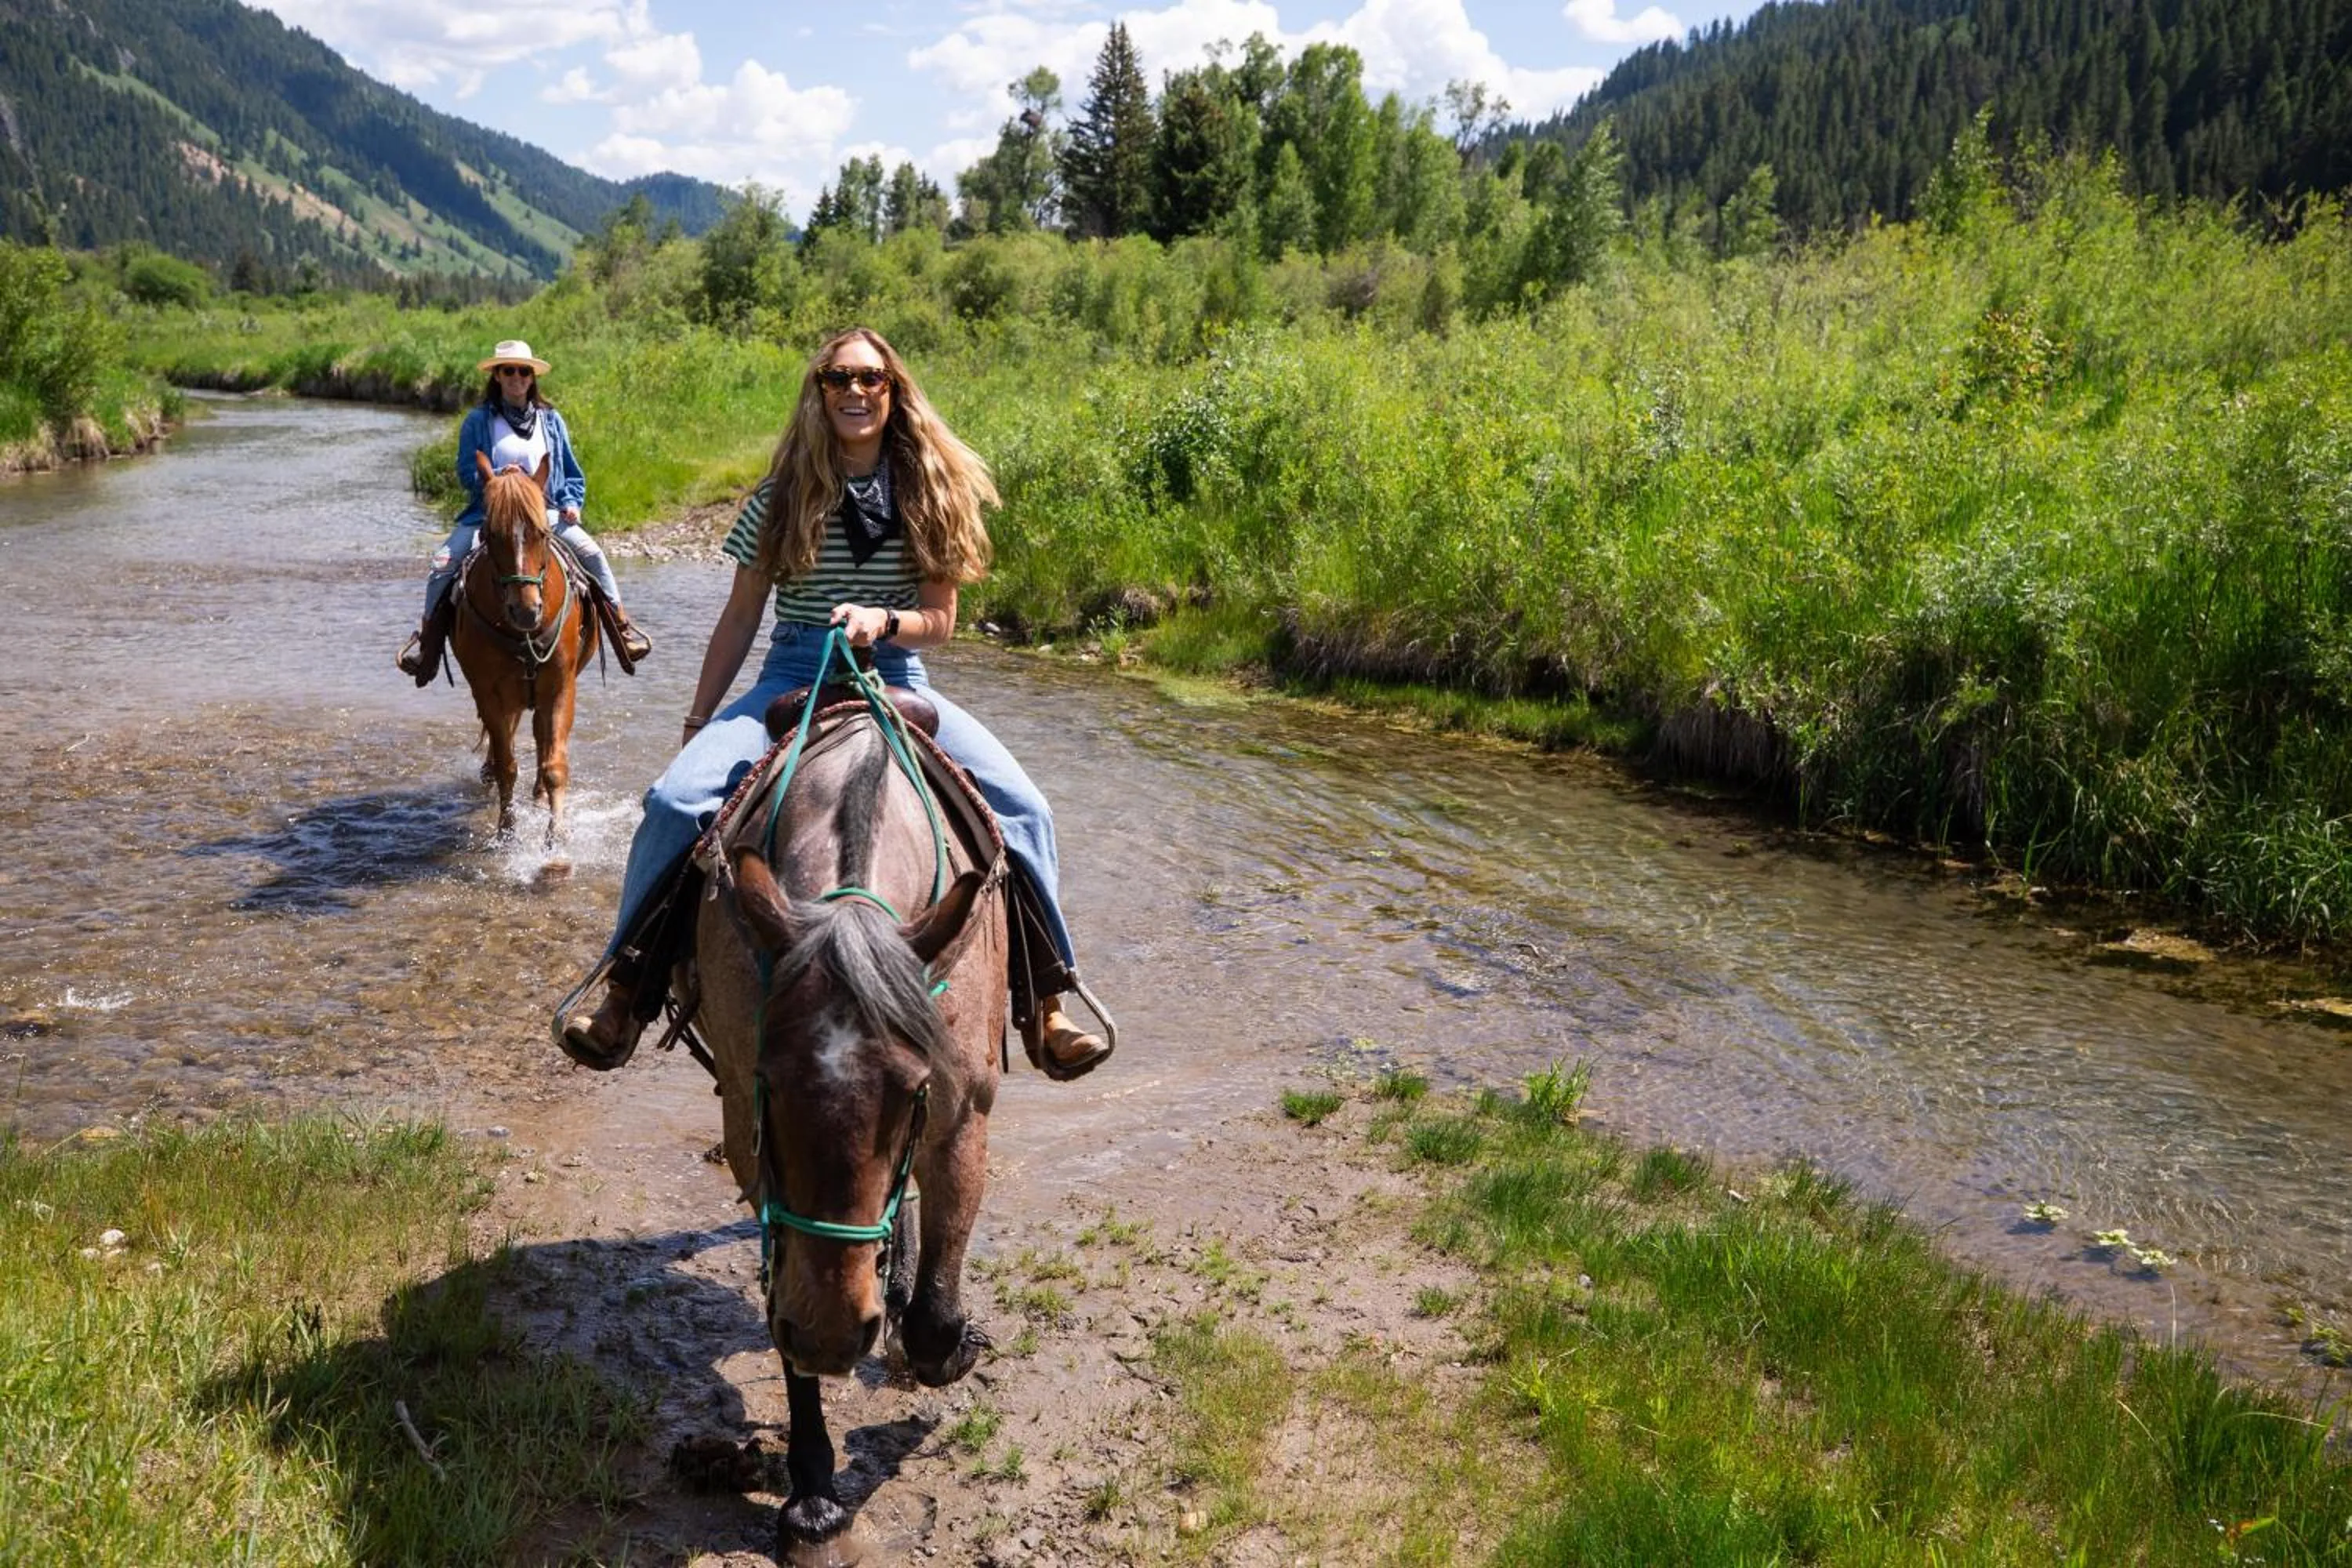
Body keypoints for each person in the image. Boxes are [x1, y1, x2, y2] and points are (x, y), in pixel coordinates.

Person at [557, 326, 1109, 1078]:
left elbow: (941, 621)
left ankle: (1047, 1003)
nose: (855, 391)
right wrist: (698, 720)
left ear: (893, 391)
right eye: (839, 378)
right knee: (674, 802)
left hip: (899, 677)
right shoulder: (781, 495)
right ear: (819, 392)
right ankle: (626, 991)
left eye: (870, 378)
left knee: (1026, 810)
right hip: (792, 669)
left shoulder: (931, 490)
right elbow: (740, 616)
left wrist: (884, 621)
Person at [397, 339, 652, 684]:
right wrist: (500, 480)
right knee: (442, 566)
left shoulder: (552, 421)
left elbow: (571, 473)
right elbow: (467, 472)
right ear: (497, 376)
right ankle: (427, 647)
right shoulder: (477, 421)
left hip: (543, 514)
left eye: (524, 371)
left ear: (532, 378)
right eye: (509, 371)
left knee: (593, 555)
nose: (517, 377)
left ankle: (622, 630)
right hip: (490, 515)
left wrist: (572, 503)